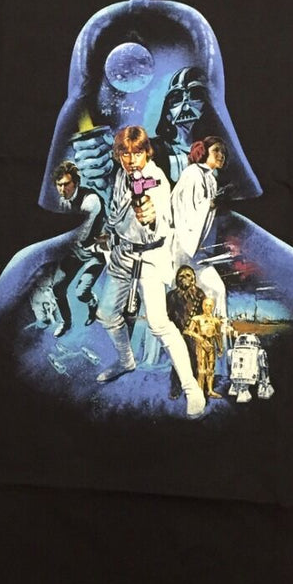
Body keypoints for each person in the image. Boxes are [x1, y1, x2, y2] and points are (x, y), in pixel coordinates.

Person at [94, 126, 206, 418]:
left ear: (147, 152)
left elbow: (159, 216)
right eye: (125, 153)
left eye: (137, 153)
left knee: (159, 324)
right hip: (123, 254)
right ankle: (125, 361)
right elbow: (116, 212)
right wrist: (109, 232)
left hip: (151, 257)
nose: (131, 160)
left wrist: (150, 215)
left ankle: (191, 388)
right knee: (106, 313)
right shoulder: (121, 176)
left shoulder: (156, 181)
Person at [170, 136, 229, 319]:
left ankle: (218, 335)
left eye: (223, 152)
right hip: (183, 249)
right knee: (177, 299)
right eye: (216, 150)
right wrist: (211, 203)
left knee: (217, 290)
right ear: (203, 151)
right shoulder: (192, 173)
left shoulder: (211, 179)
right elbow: (186, 211)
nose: (221, 155)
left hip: (198, 251)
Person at [50, 160, 106, 338]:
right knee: (58, 288)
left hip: (95, 251)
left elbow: (81, 234)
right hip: (76, 250)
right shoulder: (63, 202)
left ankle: (92, 303)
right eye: (59, 185)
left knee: (81, 293)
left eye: (66, 184)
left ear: (76, 183)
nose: (62, 189)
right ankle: (66, 322)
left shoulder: (91, 200)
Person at [165, 265, 206, 400]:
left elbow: (203, 315)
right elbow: (167, 316)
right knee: (177, 361)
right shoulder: (171, 296)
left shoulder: (200, 295)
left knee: (195, 361)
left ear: (193, 278)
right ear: (177, 279)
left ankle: (195, 389)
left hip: (193, 335)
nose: (184, 278)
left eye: (188, 275)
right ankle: (176, 388)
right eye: (181, 276)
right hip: (176, 334)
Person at [184, 296, 226, 399]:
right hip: (201, 345)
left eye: (210, 305)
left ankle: (210, 390)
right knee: (201, 370)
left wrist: (220, 347)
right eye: (206, 305)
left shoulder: (216, 321)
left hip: (211, 345)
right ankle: (200, 391)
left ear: (213, 307)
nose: (208, 307)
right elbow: (188, 331)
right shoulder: (197, 319)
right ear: (203, 306)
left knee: (210, 369)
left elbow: (218, 335)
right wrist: (200, 338)